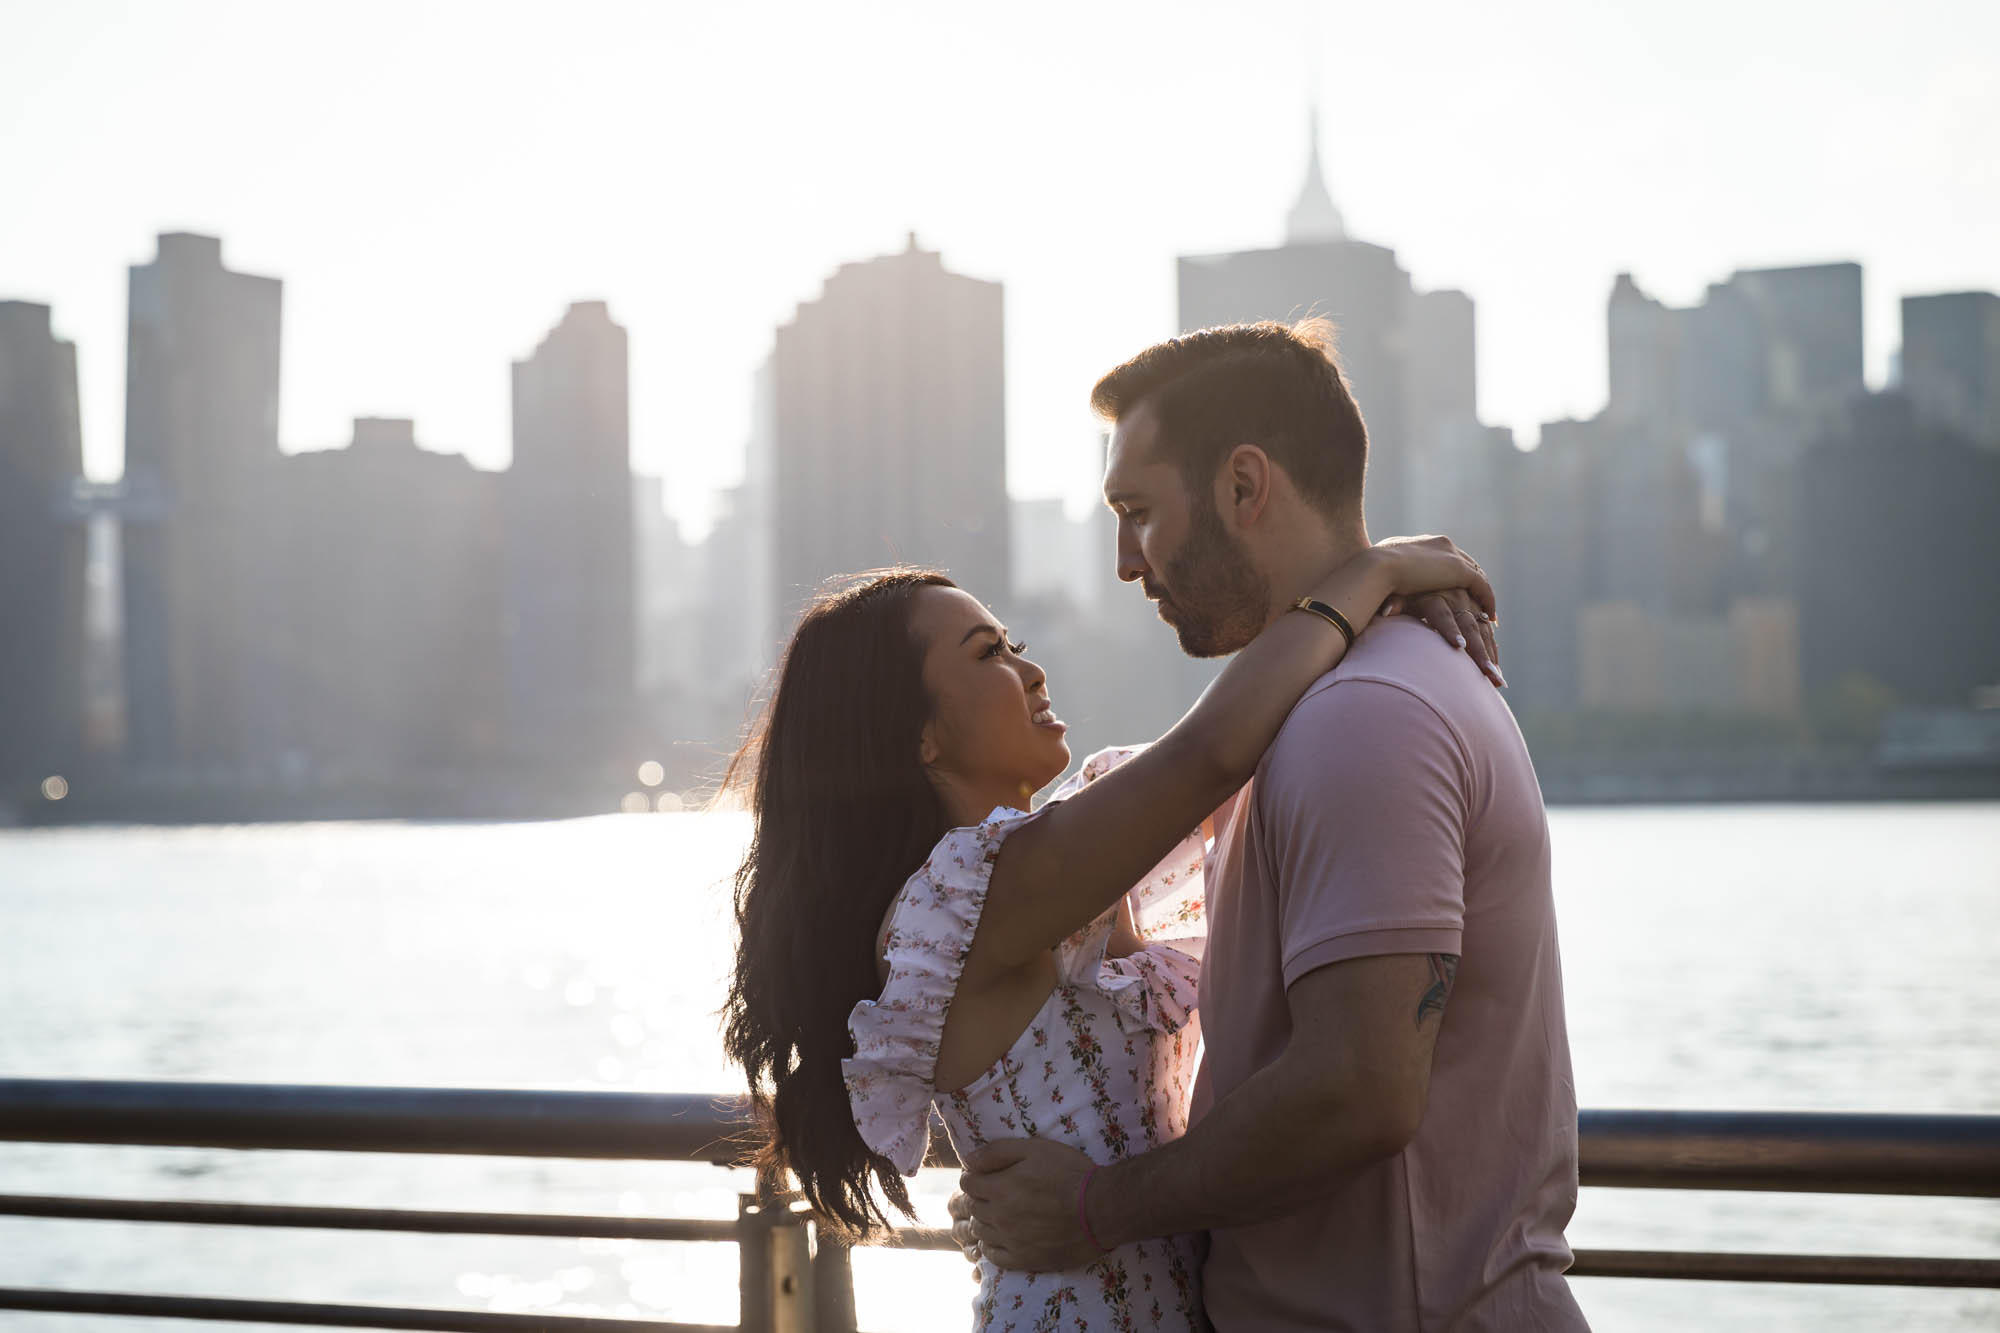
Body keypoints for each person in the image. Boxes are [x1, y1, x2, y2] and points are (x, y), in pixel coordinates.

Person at [953, 319, 1589, 1331]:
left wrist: (1093, 1208)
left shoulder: (1361, 718)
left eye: (1137, 511)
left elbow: (1359, 1090)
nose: (1125, 561)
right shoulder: (1317, 707)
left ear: (1243, 486)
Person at [722, 531, 1497, 1330]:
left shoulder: (1059, 871)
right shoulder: (965, 898)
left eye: (1014, 643)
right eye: (989, 653)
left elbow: (1257, 727)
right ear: (921, 735)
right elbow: (1212, 748)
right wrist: (1377, 570)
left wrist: (1379, 611)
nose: (1032, 669)